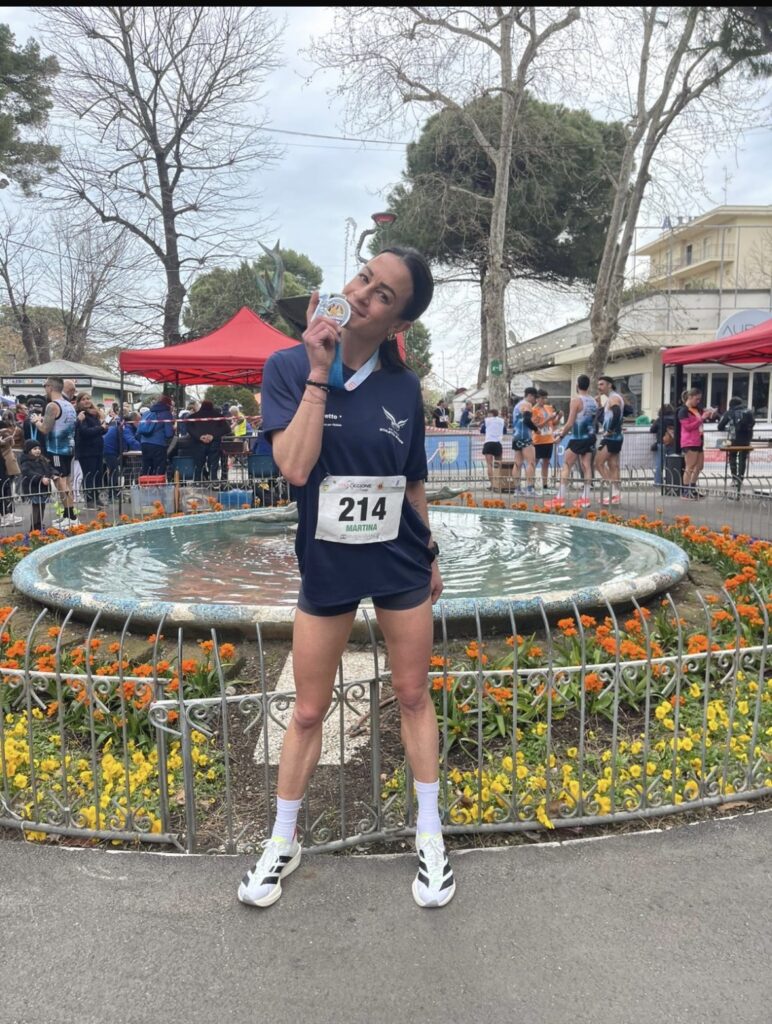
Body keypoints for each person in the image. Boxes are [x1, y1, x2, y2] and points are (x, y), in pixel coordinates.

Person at [239, 245, 454, 911]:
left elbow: (412, 482)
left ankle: (429, 833)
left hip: (398, 558)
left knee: (413, 695)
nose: (362, 294)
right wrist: (318, 371)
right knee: (308, 709)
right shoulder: (287, 365)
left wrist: (430, 552)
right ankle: (282, 840)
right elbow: (296, 468)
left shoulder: (402, 388)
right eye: (364, 277)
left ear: (398, 322)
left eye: (383, 294)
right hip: (328, 560)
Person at [546, 375, 598, 510]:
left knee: (566, 465)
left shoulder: (576, 401)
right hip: (590, 437)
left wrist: (561, 436)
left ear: (577, 385)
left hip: (577, 438)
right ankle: (585, 498)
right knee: (587, 466)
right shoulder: (594, 401)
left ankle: (560, 498)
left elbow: (570, 423)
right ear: (588, 385)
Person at [37, 376, 78, 529]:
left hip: (56, 449)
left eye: (45, 385)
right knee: (66, 481)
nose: (44, 389)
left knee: (60, 482)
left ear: (50, 387)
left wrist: (36, 421)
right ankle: (68, 515)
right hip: (69, 447)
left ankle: (71, 516)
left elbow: (44, 429)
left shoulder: (52, 406)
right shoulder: (69, 405)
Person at [677, 388, 715, 499]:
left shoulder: (697, 409)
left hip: (699, 440)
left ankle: (692, 488)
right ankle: (685, 491)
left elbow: (707, 419)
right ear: (690, 397)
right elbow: (688, 427)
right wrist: (701, 418)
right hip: (689, 441)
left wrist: (710, 413)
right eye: (696, 399)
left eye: (699, 399)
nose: (698, 401)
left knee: (699, 466)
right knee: (690, 466)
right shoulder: (683, 411)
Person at [594, 375, 625, 506]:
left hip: (611, 437)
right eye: (598, 385)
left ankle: (614, 491)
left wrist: (611, 429)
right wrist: (599, 406)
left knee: (598, 463)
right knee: (613, 464)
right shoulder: (611, 399)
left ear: (609, 385)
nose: (599, 387)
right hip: (615, 436)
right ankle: (616, 495)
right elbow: (605, 419)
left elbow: (617, 412)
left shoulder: (613, 398)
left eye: (602, 384)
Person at [74, 393, 108, 507]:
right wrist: (100, 428)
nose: (86, 401)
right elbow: (85, 432)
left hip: (98, 449)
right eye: (83, 399)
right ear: (79, 402)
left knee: (98, 474)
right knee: (89, 475)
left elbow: (100, 431)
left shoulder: (94, 414)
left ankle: (96, 497)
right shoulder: (81, 415)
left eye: (88, 399)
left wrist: (104, 427)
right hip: (86, 450)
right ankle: (89, 500)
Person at [718, 396, 755, 497]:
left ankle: (734, 478)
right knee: (743, 459)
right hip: (746, 440)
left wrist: (728, 428)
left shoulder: (730, 412)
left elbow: (720, 426)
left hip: (734, 439)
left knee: (732, 457)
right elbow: (752, 424)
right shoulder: (749, 412)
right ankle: (740, 479)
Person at [186, 399, 230, 483]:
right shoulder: (218, 416)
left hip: (198, 444)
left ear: (202, 406)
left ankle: (197, 482)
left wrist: (199, 437)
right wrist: (213, 436)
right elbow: (227, 429)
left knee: (198, 464)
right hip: (214, 443)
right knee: (213, 464)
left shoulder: (193, 417)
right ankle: (213, 481)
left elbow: (189, 428)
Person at [103, 412, 141, 499]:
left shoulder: (125, 426)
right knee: (114, 472)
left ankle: (114, 493)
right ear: (134, 421)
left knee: (114, 472)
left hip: (109, 448)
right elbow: (131, 441)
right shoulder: (126, 428)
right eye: (139, 420)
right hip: (110, 450)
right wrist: (143, 448)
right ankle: (112, 495)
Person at [20, 439, 55, 531]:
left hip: (43, 488)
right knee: (36, 507)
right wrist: (41, 478)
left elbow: (49, 468)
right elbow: (28, 472)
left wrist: (54, 474)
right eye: (35, 449)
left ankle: (39, 524)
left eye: (39, 448)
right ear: (29, 450)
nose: (38, 450)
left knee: (42, 506)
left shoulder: (42, 460)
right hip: (33, 488)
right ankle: (33, 527)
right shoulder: (26, 462)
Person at [137, 394, 175, 476]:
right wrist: (173, 428)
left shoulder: (147, 413)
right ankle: (157, 484)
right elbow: (169, 434)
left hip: (144, 444)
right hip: (158, 445)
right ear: (168, 405)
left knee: (147, 469)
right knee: (159, 469)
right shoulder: (166, 414)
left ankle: (145, 483)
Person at [531, 389, 560, 494]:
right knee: (535, 462)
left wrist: (559, 416)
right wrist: (548, 419)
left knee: (546, 462)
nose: (544, 400)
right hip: (538, 440)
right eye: (542, 398)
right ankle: (531, 484)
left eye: (545, 398)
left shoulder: (548, 408)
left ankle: (545, 485)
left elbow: (554, 423)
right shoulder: (533, 410)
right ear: (537, 399)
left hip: (549, 439)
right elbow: (537, 426)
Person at [510, 387, 538, 495]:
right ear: (529, 395)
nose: (535, 400)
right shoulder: (527, 405)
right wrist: (536, 429)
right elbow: (526, 420)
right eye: (535, 397)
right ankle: (529, 489)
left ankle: (517, 489)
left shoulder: (517, 405)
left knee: (517, 463)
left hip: (516, 436)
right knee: (531, 462)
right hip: (525, 436)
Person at [649, 404, 676, 487]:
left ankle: (658, 483)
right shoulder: (675, 419)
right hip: (672, 443)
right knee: (672, 464)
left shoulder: (660, 420)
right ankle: (672, 482)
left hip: (661, 443)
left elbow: (652, 430)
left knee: (659, 464)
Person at [0, 424, 22, 527]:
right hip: (6, 465)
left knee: (7, 490)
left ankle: (9, 514)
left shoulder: (5, 435)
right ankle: (5, 515)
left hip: (6, 465)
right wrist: (8, 437)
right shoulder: (4, 434)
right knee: (4, 491)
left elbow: (11, 443)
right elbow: (9, 442)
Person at [480, 407, 506, 487]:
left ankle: (492, 484)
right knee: (498, 464)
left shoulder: (487, 421)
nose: (488, 416)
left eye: (489, 414)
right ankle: (498, 483)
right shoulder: (501, 421)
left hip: (488, 443)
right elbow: (504, 431)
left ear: (491, 414)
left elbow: (482, 430)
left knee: (489, 465)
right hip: (498, 443)